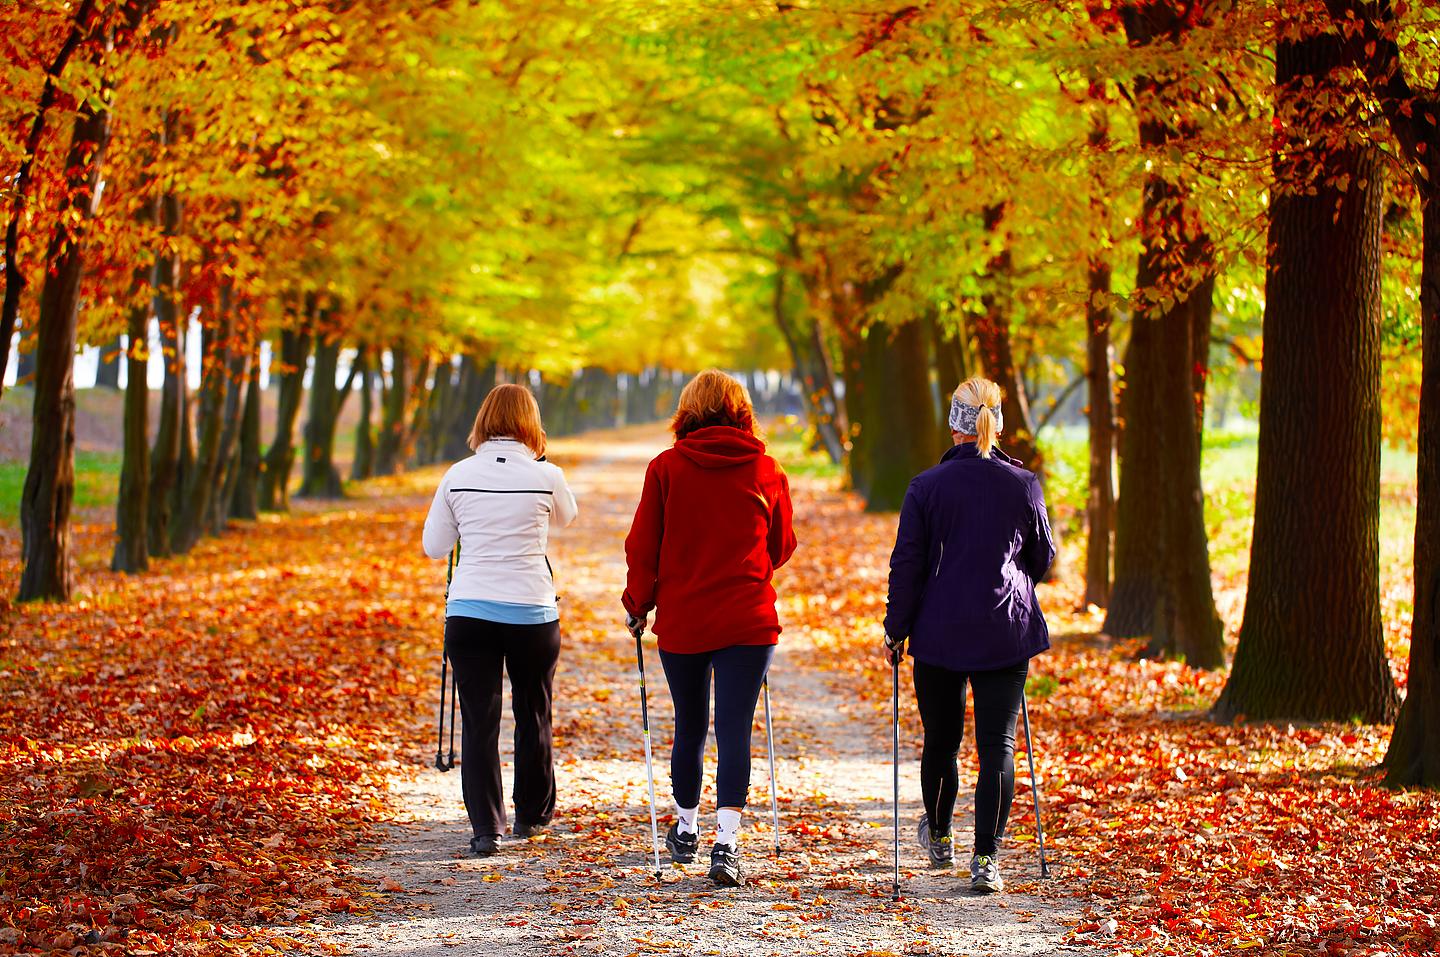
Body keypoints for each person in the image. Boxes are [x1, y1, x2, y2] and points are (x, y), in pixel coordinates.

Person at [622, 369, 797, 887]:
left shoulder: (666, 469)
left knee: (691, 723)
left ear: (688, 411)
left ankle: (687, 828)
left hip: (685, 619)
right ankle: (727, 843)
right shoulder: (767, 470)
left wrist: (639, 603)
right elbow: (782, 545)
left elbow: (642, 547)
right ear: (742, 412)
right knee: (736, 726)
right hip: (749, 619)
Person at [882, 376, 1054, 894]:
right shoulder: (1023, 484)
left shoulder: (926, 486)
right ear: (997, 423)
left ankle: (938, 835)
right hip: (1006, 627)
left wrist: (896, 628)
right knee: (998, 744)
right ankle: (987, 858)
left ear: (953, 424)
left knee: (941, 740)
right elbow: (1042, 557)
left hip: (939, 632)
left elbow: (908, 564)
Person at [422, 383, 578, 856]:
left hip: (470, 610)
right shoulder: (547, 475)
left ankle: (486, 830)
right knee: (534, 712)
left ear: (483, 420)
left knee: (480, 719)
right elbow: (566, 520)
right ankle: (531, 816)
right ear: (531, 423)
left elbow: (434, 547)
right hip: (532, 610)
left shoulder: (457, 475)